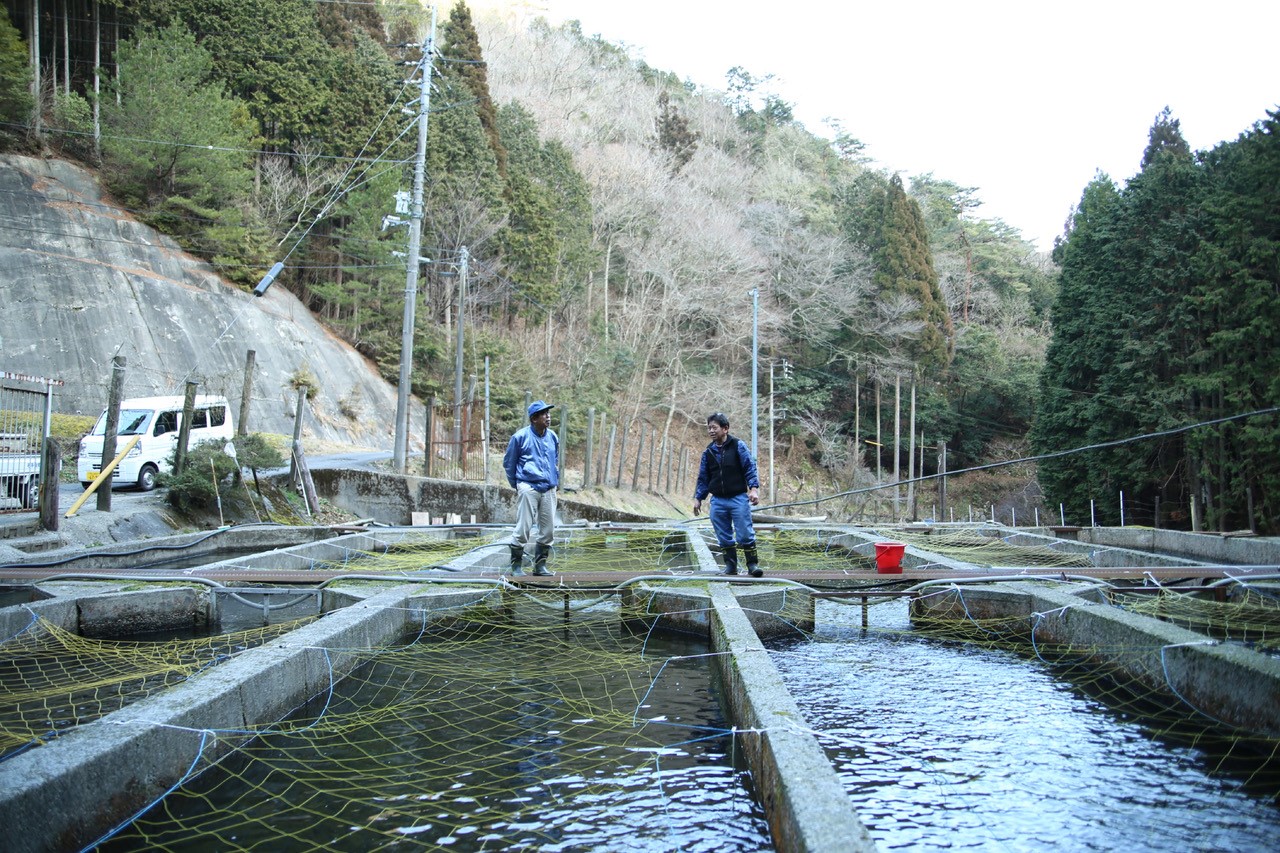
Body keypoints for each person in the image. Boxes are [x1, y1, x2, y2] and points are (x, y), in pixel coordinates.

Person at [692, 412, 763, 577]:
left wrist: (753, 489)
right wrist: (698, 498)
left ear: (725, 429)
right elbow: (703, 477)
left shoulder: (738, 446)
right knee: (723, 534)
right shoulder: (708, 452)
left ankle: (752, 565)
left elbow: (749, 468)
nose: (711, 431)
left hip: (738, 497)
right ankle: (731, 567)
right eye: (709, 428)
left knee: (744, 532)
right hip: (717, 500)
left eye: (714, 427)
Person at [503, 400, 559, 576]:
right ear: (534, 418)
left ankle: (540, 566)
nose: (548, 417)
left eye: (549, 414)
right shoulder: (520, 437)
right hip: (528, 486)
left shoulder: (553, 437)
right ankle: (516, 567)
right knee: (523, 527)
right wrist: (519, 485)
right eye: (544, 414)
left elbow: (555, 460)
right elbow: (509, 463)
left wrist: (553, 480)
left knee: (548, 529)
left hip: (549, 488)